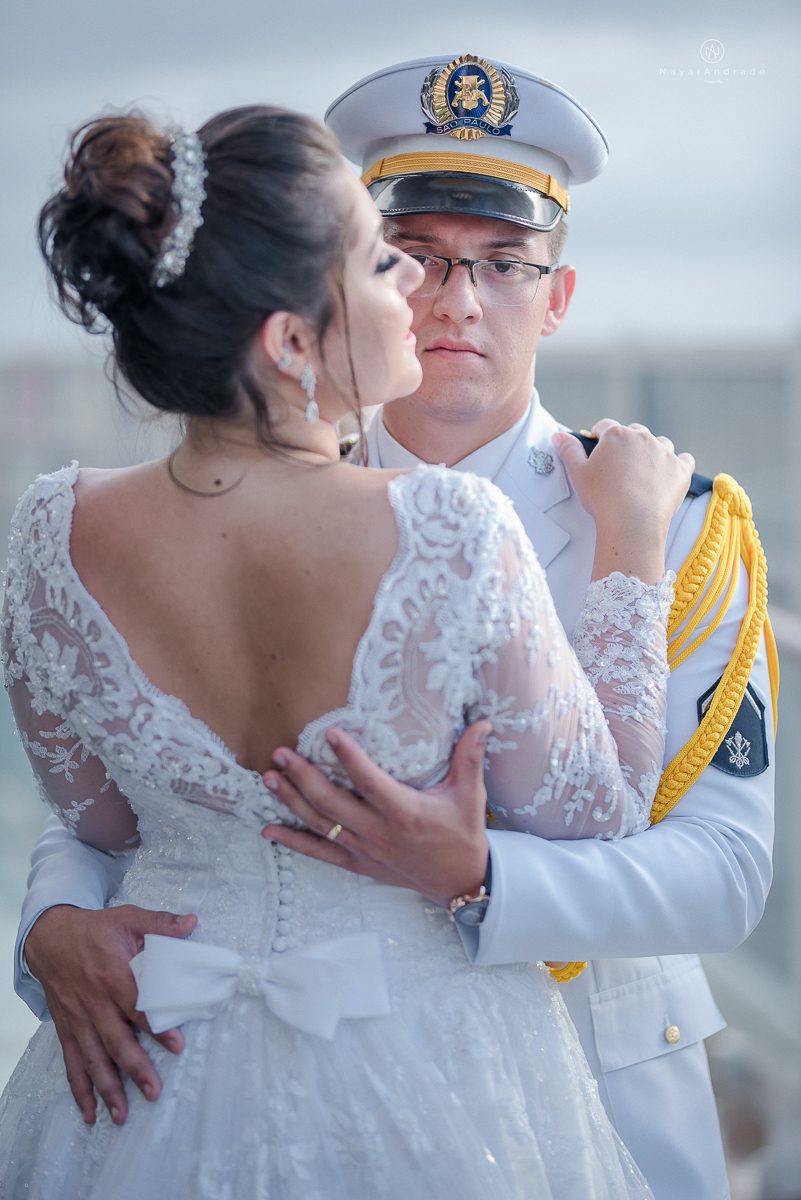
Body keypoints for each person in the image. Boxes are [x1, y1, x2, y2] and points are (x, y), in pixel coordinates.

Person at [9, 57, 778, 1200]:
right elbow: (123, 818)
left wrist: (485, 877)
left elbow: (727, 870)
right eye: (408, 252)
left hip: (591, 1093)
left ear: (558, 297)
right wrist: (51, 923)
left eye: (505, 264)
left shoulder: (683, 522)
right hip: (200, 1065)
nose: (454, 299)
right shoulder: (388, 511)